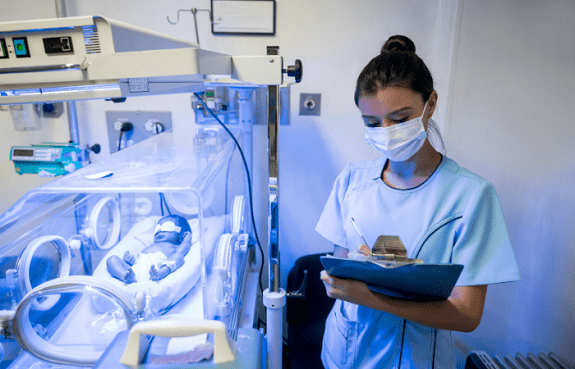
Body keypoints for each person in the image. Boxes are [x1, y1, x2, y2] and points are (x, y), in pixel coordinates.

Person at [316, 35, 520, 368]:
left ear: (431, 103)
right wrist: (352, 272)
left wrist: (372, 297)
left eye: (399, 119)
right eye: (372, 123)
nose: (386, 131)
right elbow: (337, 275)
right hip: (344, 352)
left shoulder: (471, 196)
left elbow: (467, 315)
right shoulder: (351, 180)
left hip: (416, 359)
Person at [106, 215, 192, 284]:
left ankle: (161, 273)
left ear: (181, 236)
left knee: (179, 256)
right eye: (157, 229)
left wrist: (187, 238)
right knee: (112, 259)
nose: (160, 231)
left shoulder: (175, 246)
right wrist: (129, 261)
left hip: (157, 269)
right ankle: (125, 276)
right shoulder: (151, 246)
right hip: (136, 272)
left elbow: (184, 248)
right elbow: (140, 263)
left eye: (167, 227)